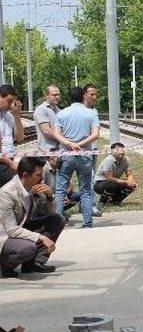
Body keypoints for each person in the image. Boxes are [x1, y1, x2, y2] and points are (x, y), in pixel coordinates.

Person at [0, 158, 65, 278]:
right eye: (38, 175)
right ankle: (4, 266)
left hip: (21, 227)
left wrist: (50, 196)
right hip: (5, 236)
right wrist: (41, 237)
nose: (42, 179)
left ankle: (35, 262)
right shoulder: (7, 193)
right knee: (29, 248)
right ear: (25, 175)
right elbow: (11, 230)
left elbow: (50, 213)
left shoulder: (34, 186)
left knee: (57, 220)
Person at [53, 86, 100, 228]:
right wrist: (80, 144)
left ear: (69, 98)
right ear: (83, 97)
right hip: (85, 155)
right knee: (85, 190)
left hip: (66, 155)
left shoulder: (62, 114)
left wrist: (69, 143)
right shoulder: (91, 114)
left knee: (60, 191)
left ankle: (57, 224)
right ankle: (87, 223)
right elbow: (95, 134)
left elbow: (56, 133)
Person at [37, 155, 80, 220]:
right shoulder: (44, 169)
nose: (61, 159)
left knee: (75, 196)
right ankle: (53, 214)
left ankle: (59, 212)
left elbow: (70, 186)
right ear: (50, 159)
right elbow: (40, 189)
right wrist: (56, 198)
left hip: (57, 195)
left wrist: (64, 197)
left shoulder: (60, 168)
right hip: (47, 197)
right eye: (58, 157)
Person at [82, 84, 102, 217]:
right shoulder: (80, 110)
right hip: (82, 150)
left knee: (90, 178)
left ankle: (86, 204)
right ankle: (90, 206)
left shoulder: (94, 111)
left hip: (93, 149)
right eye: (92, 94)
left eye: (96, 94)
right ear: (84, 95)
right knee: (87, 178)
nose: (95, 97)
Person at [0, 85, 24, 188]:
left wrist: (17, 115)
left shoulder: (9, 115)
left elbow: (20, 138)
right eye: (9, 101)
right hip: (3, 161)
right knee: (20, 183)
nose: (11, 105)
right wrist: (10, 163)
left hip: (10, 158)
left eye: (13, 102)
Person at [33, 85, 61, 153]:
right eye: (54, 95)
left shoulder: (59, 110)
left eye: (59, 95)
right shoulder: (41, 109)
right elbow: (46, 131)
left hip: (59, 149)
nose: (57, 97)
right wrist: (64, 139)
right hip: (47, 151)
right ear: (46, 95)